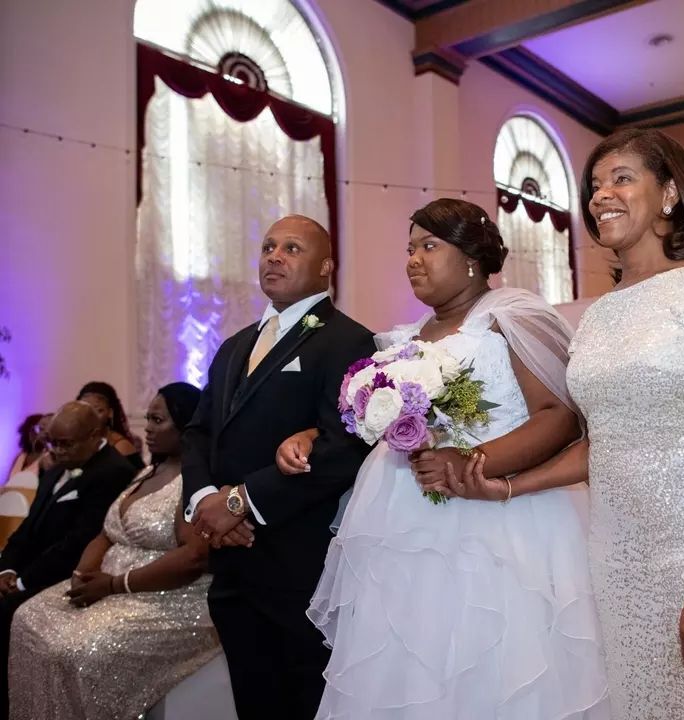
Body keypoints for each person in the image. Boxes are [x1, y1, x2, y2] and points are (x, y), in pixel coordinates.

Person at [454, 129, 684, 719]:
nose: (602, 194)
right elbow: (602, 443)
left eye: (622, 178)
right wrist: (507, 487)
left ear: (671, 194)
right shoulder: (600, 313)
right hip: (616, 545)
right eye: (595, 185)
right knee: (638, 702)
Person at [276, 198, 608, 719]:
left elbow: (558, 416)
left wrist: (472, 460)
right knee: (407, 660)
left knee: (489, 662)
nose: (413, 260)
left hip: (498, 522)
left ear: (472, 256)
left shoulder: (513, 319)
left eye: (430, 246)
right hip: (398, 524)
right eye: (409, 249)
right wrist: (312, 432)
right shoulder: (401, 339)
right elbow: (376, 428)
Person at [181, 214, 376, 720]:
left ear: (326, 267)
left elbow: (344, 446)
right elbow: (200, 432)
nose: (274, 256)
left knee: (301, 702)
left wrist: (242, 502)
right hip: (231, 566)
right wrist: (207, 502)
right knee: (252, 700)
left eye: (292, 248)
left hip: (297, 564)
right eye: (269, 246)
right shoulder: (233, 346)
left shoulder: (348, 341)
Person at [9, 382, 220, 720]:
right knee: (26, 619)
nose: (147, 429)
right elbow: (106, 532)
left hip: (165, 596)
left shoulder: (196, 480)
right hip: (110, 585)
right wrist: (83, 573)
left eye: (157, 420)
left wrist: (112, 585)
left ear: (187, 425)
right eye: (148, 419)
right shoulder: (146, 472)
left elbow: (193, 557)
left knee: (76, 650)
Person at [0, 402, 136, 718]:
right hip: (28, 571)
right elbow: (27, 530)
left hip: (63, 577)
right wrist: (6, 567)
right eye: (53, 443)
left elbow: (76, 544)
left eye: (66, 444)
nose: (57, 451)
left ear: (95, 435)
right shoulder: (58, 467)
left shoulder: (113, 472)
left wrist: (21, 582)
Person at [77, 381, 143, 469]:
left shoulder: (121, 447)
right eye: (85, 410)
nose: (91, 416)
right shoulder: (75, 444)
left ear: (110, 413)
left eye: (98, 410)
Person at [5, 414, 47, 489]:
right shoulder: (21, 456)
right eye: (31, 430)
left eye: (37, 430)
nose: (33, 434)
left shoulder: (47, 458)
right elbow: (8, 483)